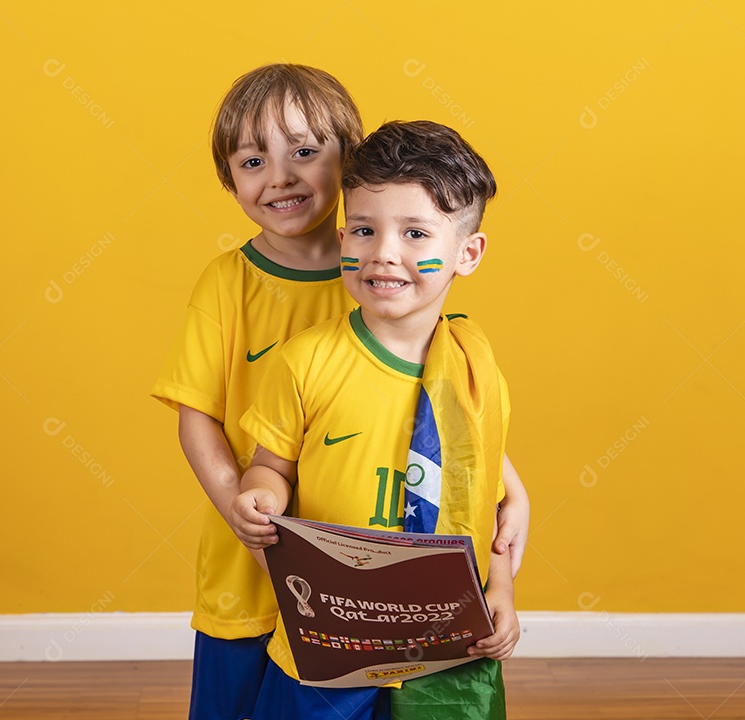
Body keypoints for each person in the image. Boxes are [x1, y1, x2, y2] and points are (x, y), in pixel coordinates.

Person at [229, 120, 520, 720]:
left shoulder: (474, 368)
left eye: (415, 233)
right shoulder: (305, 361)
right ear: (343, 239)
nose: (384, 252)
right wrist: (258, 496)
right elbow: (270, 465)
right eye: (365, 229)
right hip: (332, 630)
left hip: (443, 635)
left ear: (469, 253)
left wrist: (504, 593)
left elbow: (482, 496)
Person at [151, 63, 364, 719]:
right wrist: (243, 517)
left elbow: (441, 396)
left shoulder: (378, 276)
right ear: (229, 178)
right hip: (250, 563)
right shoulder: (225, 284)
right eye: (253, 160)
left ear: (350, 159)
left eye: (305, 151)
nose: (280, 176)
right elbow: (198, 420)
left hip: (350, 557)